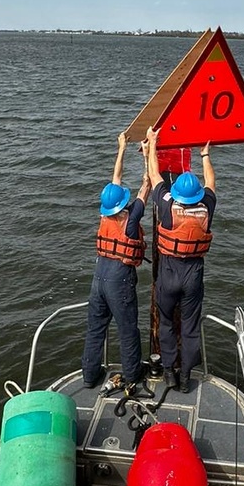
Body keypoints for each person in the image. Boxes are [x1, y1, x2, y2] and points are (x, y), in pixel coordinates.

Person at [145, 126, 216, 393]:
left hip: (169, 274)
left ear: (177, 194)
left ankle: (168, 371)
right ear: (196, 195)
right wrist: (205, 155)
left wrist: (152, 143)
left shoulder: (166, 205)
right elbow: (211, 182)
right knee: (189, 327)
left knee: (165, 323)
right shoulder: (206, 206)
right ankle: (186, 377)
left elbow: (154, 175)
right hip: (193, 276)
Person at [81, 132, 151, 389]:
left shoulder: (105, 216)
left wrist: (121, 148)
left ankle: (89, 376)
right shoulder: (132, 217)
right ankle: (132, 375)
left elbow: (115, 181)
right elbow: (147, 185)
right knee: (128, 329)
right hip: (119, 280)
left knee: (95, 329)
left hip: (98, 278)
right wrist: (147, 154)